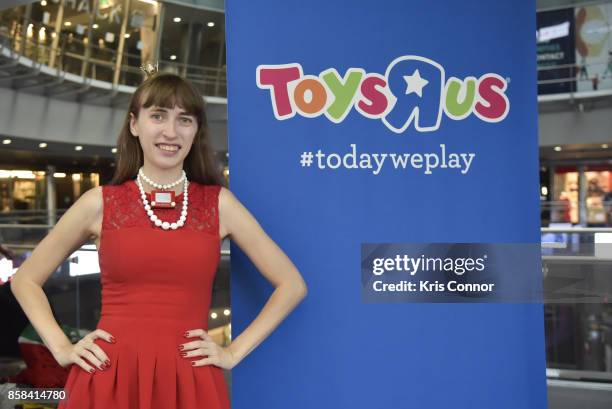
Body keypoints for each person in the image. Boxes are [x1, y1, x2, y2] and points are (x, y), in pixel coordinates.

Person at [10, 68, 308, 408]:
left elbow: (291, 284)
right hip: (110, 375)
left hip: (190, 379)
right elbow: (26, 280)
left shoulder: (219, 204)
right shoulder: (99, 203)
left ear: (196, 131)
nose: (171, 131)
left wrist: (233, 351)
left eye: (185, 119)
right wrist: (61, 348)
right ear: (134, 124)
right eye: (158, 116)